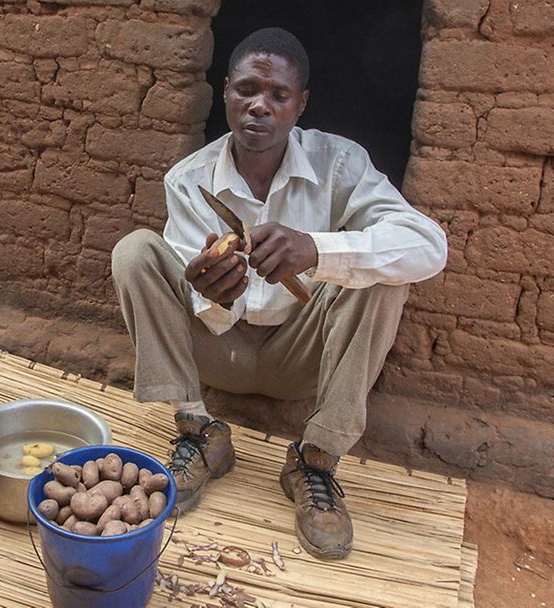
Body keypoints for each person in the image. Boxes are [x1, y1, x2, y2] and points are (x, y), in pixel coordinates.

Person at [111, 28, 447, 560]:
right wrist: (210, 295)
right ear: (225, 93)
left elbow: (429, 246)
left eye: (278, 96)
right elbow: (190, 288)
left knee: (385, 275)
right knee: (134, 252)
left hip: (302, 356)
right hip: (217, 355)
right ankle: (199, 431)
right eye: (246, 90)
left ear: (301, 103)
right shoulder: (189, 179)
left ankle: (315, 461)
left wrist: (318, 251)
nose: (259, 107)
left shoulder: (340, 165)